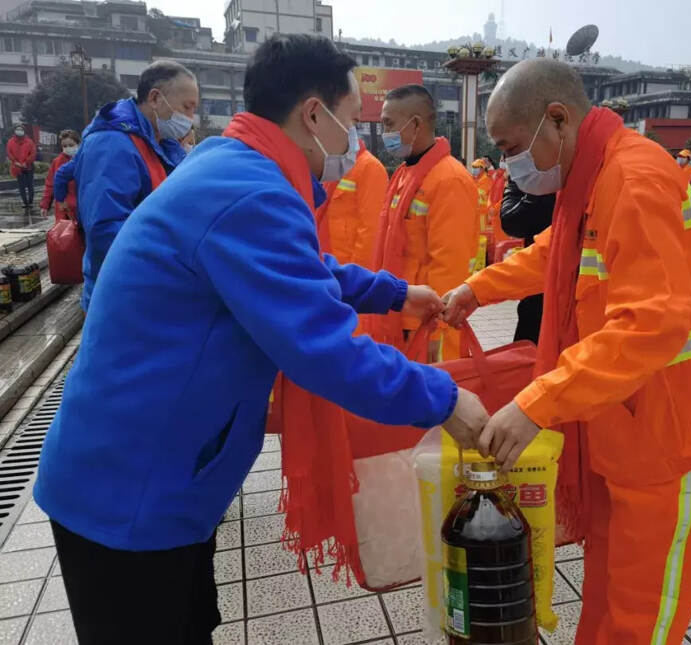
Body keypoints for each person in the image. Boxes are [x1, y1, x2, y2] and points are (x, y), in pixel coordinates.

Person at [34, 35, 489, 644]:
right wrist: (445, 399)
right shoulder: (250, 190)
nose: (354, 142)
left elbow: (301, 267)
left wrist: (392, 292)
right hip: (133, 493)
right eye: (351, 121)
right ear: (312, 115)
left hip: (145, 471)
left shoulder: (232, 165)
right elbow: (324, 347)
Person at [443, 59, 691, 645]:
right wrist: (476, 289)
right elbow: (555, 252)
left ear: (556, 120)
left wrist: (537, 403)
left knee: (641, 619)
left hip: (673, 440)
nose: (508, 164)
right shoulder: (595, 176)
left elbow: (649, 325)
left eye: (509, 147)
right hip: (624, 430)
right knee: (607, 598)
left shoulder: (634, 178)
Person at [71, 59, 197, 311]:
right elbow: (106, 230)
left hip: (152, 285)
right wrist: (174, 263)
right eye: (187, 107)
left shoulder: (163, 144)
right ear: (155, 98)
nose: (190, 118)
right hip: (125, 292)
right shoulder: (111, 144)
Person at [370, 84, 479, 361]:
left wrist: (437, 330)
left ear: (415, 124)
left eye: (389, 124)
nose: (385, 134)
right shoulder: (406, 174)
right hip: (402, 315)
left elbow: (450, 263)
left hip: (425, 325)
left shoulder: (449, 179)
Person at [315, 139, 388, 268]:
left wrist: (358, 281)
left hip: (346, 273)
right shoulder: (334, 168)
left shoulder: (370, 168)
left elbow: (370, 234)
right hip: (326, 265)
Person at [499, 178, 554, 343]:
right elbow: (511, 223)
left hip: (579, 297)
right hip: (534, 291)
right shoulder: (525, 178)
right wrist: (537, 188)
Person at [40, 130, 80, 222]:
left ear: (78, 144)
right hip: (63, 207)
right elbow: (50, 185)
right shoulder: (57, 162)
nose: (68, 148)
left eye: (71, 145)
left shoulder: (84, 160)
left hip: (80, 205)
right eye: (64, 146)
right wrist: (45, 205)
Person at [6, 125, 36, 212]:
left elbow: (33, 153)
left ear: (24, 131)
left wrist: (26, 162)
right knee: (21, 186)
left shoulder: (29, 142)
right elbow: (9, 152)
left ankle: (30, 201)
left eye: (21, 129)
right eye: (17, 129)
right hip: (17, 167)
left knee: (30, 185)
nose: (19, 131)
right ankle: (25, 202)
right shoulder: (10, 142)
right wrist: (15, 162)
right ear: (14, 131)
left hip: (28, 166)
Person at [471, 157, 493, 230]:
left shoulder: (488, 181)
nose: (474, 169)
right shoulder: (472, 180)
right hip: (473, 214)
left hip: (483, 215)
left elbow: (491, 198)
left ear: (482, 168)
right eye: (473, 167)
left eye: (476, 167)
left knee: (482, 236)